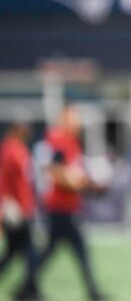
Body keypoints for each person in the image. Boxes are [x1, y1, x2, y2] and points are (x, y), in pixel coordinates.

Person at [36, 106, 104, 300]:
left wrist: (89, 183)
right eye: (74, 119)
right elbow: (54, 171)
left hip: (68, 206)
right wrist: (79, 184)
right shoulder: (57, 140)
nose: (78, 123)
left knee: (51, 251)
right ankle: (93, 291)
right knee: (77, 250)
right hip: (60, 207)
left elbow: (74, 172)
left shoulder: (72, 142)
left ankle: (27, 285)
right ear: (64, 120)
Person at [0, 119, 41, 300]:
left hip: (24, 206)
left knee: (13, 253)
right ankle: (29, 289)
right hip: (16, 209)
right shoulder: (11, 150)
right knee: (30, 252)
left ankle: (29, 288)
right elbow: (6, 181)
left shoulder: (19, 149)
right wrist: (8, 205)